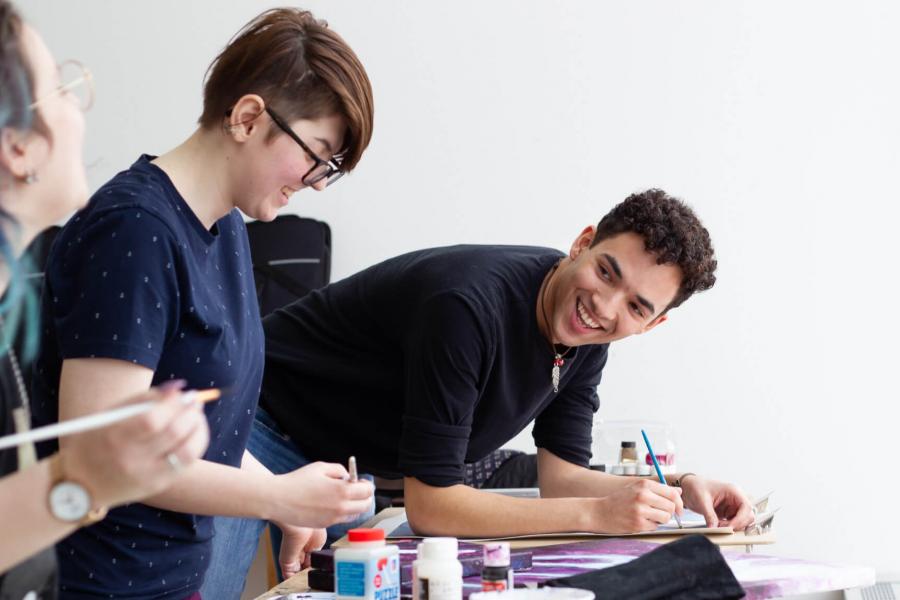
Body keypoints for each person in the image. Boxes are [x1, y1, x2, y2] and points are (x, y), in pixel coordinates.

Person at [207, 189, 758, 589]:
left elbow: (561, 479)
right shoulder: (467, 308)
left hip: (344, 466)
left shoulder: (587, 338)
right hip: (252, 420)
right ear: (582, 243)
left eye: (637, 306)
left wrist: (679, 490)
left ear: (652, 323)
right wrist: (598, 515)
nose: (606, 307)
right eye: (607, 272)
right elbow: (432, 506)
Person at [31, 7, 375, 599]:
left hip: (169, 579)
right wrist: (277, 495)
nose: (317, 180)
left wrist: (286, 500)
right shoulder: (133, 231)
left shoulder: (225, 226)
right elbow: (100, 453)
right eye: (316, 154)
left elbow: (197, 429)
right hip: (98, 584)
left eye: (331, 167)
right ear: (246, 117)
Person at [0, 2, 209, 598]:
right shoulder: (134, 225)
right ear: (17, 146)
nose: (79, 112)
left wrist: (91, 478)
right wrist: (86, 479)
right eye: (63, 89)